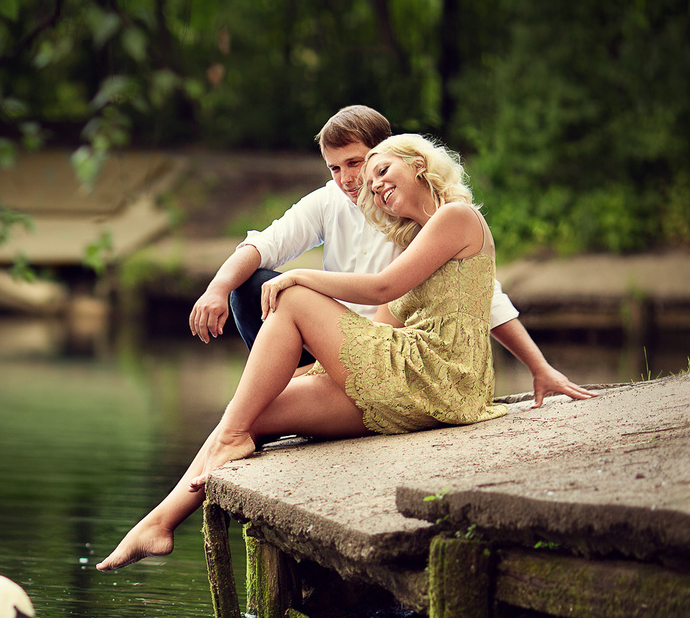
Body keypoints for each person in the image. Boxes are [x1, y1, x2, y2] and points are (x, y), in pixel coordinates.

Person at [98, 133, 515, 571]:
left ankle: (229, 441)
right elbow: (384, 323)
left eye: (382, 171)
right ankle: (160, 523)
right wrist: (318, 370)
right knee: (257, 410)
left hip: (438, 375)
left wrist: (299, 278)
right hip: (413, 385)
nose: (374, 186)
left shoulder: (456, 217)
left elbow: (382, 288)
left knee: (292, 299)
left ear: (418, 163)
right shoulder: (412, 237)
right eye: (370, 183)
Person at [188, 106, 593, 407]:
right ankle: (282, 387)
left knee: (288, 298)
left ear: (384, 153)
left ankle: (287, 396)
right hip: (322, 334)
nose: (348, 179)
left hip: (388, 344)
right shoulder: (328, 201)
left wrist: (538, 366)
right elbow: (262, 243)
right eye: (334, 168)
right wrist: (217, 288)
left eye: (356, 164)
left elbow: (482, 292)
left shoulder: (412, 208)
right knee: (250, 284)